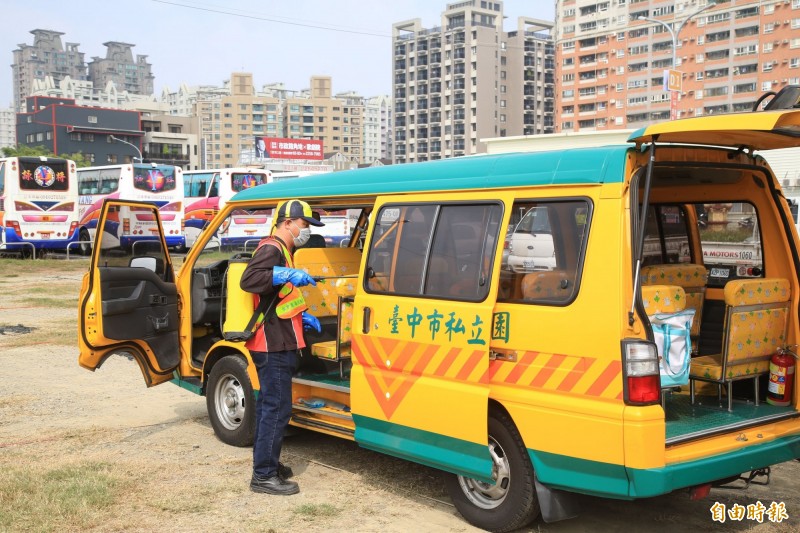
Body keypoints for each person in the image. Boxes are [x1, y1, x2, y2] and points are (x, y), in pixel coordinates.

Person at [240, 199, 324, 495]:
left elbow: (280, 298)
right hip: (271, 343)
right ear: (287, 222)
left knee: (269, 406)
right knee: (276, 409)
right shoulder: (272, 248)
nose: (306, 231)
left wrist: (303, 314)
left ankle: (269, 465)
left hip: (279, 340)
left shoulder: (285, 251)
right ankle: (263, 476)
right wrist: (286, 274)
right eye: (304, 224)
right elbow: (249, 280)